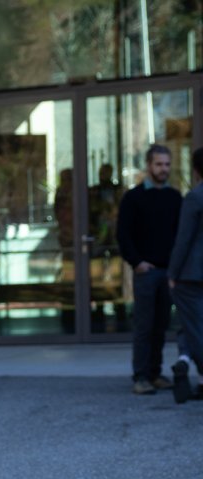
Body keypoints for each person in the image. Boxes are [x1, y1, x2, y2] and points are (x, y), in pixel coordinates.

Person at [117, 145, 182, 395]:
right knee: (144, 326)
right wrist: (137, 262)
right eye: (159, 164)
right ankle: (141, 376)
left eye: (167, 164)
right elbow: (123, 235)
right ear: (148, 165)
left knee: (161, 325)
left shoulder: (175, 198)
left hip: (168, 272)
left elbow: (180, 235)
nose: (164, 169)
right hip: (146, 272)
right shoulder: (133, 198)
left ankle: (155, 373)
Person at [166, 146, 203, 404]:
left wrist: (173, 273)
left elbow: (184, 240)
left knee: (193, 327)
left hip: (193, 274)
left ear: (196, 170)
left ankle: (186, 362)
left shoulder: (195, 197)